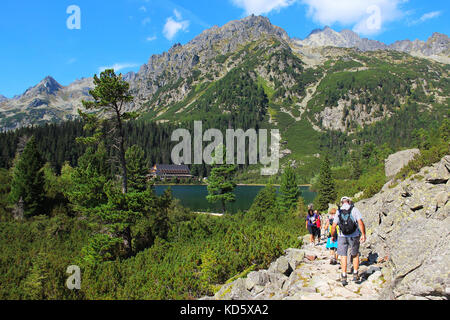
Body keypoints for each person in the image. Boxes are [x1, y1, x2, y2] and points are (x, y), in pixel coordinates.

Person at [331, 197, 366, 286]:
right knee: (355, 254)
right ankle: (355, 274)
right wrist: (363, 234)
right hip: (354, 235)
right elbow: (360, 222)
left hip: (342, 236)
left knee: (343, 255)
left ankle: (344, 276)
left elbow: (334, 226)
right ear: (349, 202)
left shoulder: (339, 211)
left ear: (342, 202)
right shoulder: (354, 209)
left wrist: (332, 236)